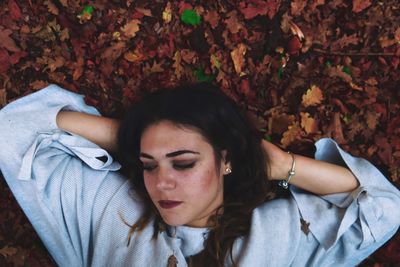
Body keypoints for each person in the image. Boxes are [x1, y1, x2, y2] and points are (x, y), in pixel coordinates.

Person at [0, 83, 399, 267]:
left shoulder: (281, 236)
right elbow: (12, 130)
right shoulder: (110, 213)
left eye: (184, 162)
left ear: (225, 160)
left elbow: (384, 207)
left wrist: (280, 166)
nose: (162, 183)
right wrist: (128, 138)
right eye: (149, 164)